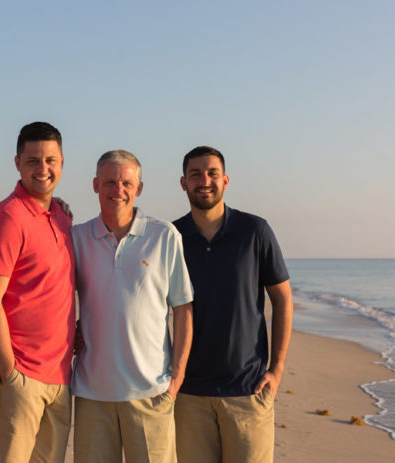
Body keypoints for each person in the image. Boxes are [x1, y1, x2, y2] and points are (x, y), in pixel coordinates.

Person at [71, 150, 194, 463]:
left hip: (151, 393)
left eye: (127, 182)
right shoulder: (77, 237)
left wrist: (176, 378)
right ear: (96, 185)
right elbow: (52, 295)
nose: (118, 189)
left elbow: (183, 307)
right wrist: (68, 332)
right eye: (110, 181)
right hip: (91, 393)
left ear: (139, 188)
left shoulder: (164, 235)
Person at [173, 146, 293, 463]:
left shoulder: (255, 231)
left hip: (247, 391)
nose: (204, 180)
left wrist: (277, 369)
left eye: (212, 173)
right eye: (195, 174)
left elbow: (282, 299)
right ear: (183, 183)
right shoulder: (172, 237)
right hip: (189, 395)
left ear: (225, 181)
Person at [0, 121, 75, 463]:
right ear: (17, 163)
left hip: (59, 376)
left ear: (62, 162)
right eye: (32, 160)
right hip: (17, 376)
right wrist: (9, 373)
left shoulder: (61, 217)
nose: (42, 169)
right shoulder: (8, 217)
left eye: (50, 160)